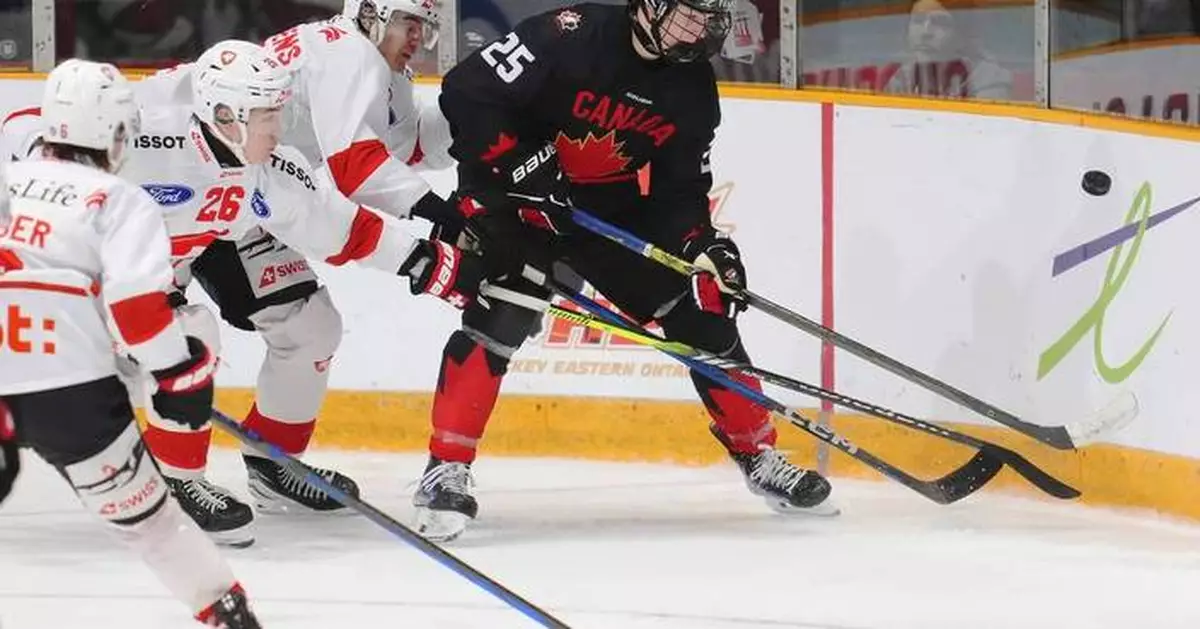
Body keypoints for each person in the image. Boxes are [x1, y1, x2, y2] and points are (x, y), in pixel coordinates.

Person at [0, 39, 490, 548]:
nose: (278, 128)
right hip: (109, 274)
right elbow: (25, 125)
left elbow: (340, 227)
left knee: (311, 326)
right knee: (189, 335)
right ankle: (176, 483)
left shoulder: (266, 167)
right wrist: (47, 166)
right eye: (266, 117)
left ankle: (273, 464)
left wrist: (433, 265)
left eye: (278, 112)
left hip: (205, 241)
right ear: (225, 116)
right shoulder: (147, 134)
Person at [413, 0, 836, 542]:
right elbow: (467, 92)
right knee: (505, 309)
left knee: (700, 310)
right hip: (512, 196)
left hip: (602, 207)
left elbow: (680, 191)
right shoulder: (570, 34)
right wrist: (519, 163)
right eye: (690, 13)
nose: (702, 28)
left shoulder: (692, 87)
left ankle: (758, 454)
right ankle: (445, 468)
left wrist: (703, 245)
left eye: (710, 16)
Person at [0, 59, 260, 628]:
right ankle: (229, 616)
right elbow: (138, 311)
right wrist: (177, 376)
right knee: (152, 525)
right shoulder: (116, 199)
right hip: (67, 390)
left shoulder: (6, 179)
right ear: (117, 133)